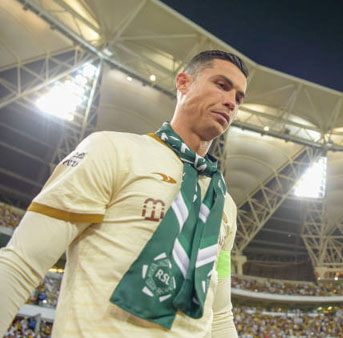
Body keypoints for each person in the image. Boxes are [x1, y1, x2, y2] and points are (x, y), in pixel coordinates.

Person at [0, 50, 248, 337]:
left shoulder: (223, 204)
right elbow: (22, 262)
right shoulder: (112, 151)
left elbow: (218, 316)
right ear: (183, 83)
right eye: (221, 85)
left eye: (239, 98)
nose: (231, 101)